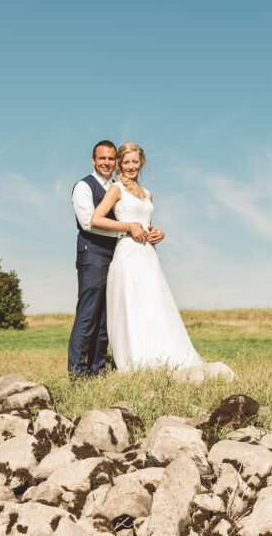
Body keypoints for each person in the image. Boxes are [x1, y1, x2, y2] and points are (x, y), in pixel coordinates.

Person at [90, 142, 204, 371]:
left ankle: (164, 355)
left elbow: (146, 224)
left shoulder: (147, 194)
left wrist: (157, 232)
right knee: (133, 305)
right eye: (126, 162)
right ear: (119, 164)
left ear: (141, 163)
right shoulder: (116, 189)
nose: (131, 166)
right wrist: (128, 226)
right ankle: (137, 360)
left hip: (148, 256)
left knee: (153, 304)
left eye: (135, 161)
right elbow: (96, 219)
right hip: (128, 253)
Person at [69, 140, 164, 378]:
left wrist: (154, 231)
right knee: (89, 312)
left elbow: (137, 220)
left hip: (119, 254)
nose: (106, 163)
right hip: (93, 253)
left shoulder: (121, 186)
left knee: (107, 315)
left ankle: (98, 369)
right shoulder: (84, 186)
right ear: (93, 160)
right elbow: (88, 222)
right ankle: (77, 373)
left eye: (111, 159)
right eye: (102, 159)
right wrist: (127, 228)